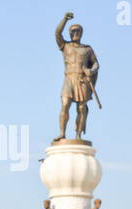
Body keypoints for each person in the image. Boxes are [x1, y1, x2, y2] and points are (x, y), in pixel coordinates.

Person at [53, 12, 99, 141]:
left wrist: (91, 71)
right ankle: (62, 133)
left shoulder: (87, 49)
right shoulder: (65, 46)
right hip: (69, 79)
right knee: (65, 103)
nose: (75, 33)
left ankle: (78, 135)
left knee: (81, 108)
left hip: (81, 80)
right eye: (73, 31)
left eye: (78, 31)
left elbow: (96, 64)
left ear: (81, 33)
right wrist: (64, 20)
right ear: (70, 33)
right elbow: (57, 33)